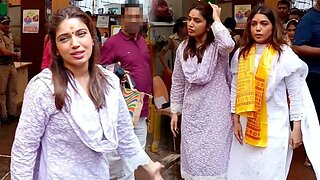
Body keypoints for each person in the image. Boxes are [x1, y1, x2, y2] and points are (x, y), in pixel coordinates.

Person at [10, 6, 163, 179]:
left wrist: (149, 168)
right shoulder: (44, 88)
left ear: (92, 39)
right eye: (64, 38)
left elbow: (125, 136)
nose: (75, 44)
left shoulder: (110, 82)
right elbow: (24, 149)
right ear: (56, 49)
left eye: (81, 34)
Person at [227, 6, 320, 179]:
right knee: (246, 170)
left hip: (275, 125)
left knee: (271, 171)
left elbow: (295, 95)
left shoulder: (284, 55)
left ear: (273, 26)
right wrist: (235, 120)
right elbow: (235, 88)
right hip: (247, 122)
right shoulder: (242, 53)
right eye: (254, 24)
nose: (258, 28)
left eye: (263, 23)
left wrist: (297, 128)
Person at [170, 2, 234, 179]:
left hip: (216, 115)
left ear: (208, 25)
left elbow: (229, 44)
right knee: (193, 161)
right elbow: (178, 81)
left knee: (216, 161)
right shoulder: (183, 48)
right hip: (192, 114)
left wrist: (217, 19)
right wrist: (175, 111)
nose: (190, 24)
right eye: (189, 19)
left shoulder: (218, 48)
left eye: (197, 20)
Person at [100, 2, 152, 179]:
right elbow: (101, 70)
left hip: (141, 109)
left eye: (138, 17)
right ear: (122, 19)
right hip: (122, 111)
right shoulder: (113, 43)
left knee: (137, 155)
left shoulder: (143, 41)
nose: (135, 20)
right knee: (117, 158)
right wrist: (116, 71)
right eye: (130, 17)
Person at [292, 0, 320, 170]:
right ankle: (312, 155)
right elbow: (297, 46)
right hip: (316, 77)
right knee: (315, 117)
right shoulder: (309, 19)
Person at [0, 15, 20, 125]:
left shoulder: (10, 34)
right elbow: (3, 51)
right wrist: (15, 53)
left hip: (11, 64)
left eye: (8, 23)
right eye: (4, 23)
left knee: (13, 90)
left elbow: (11, 48)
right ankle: (3, 115)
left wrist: (15, 51)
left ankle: (12, 113)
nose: (7, 25)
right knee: (1, 92)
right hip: (2, 66)